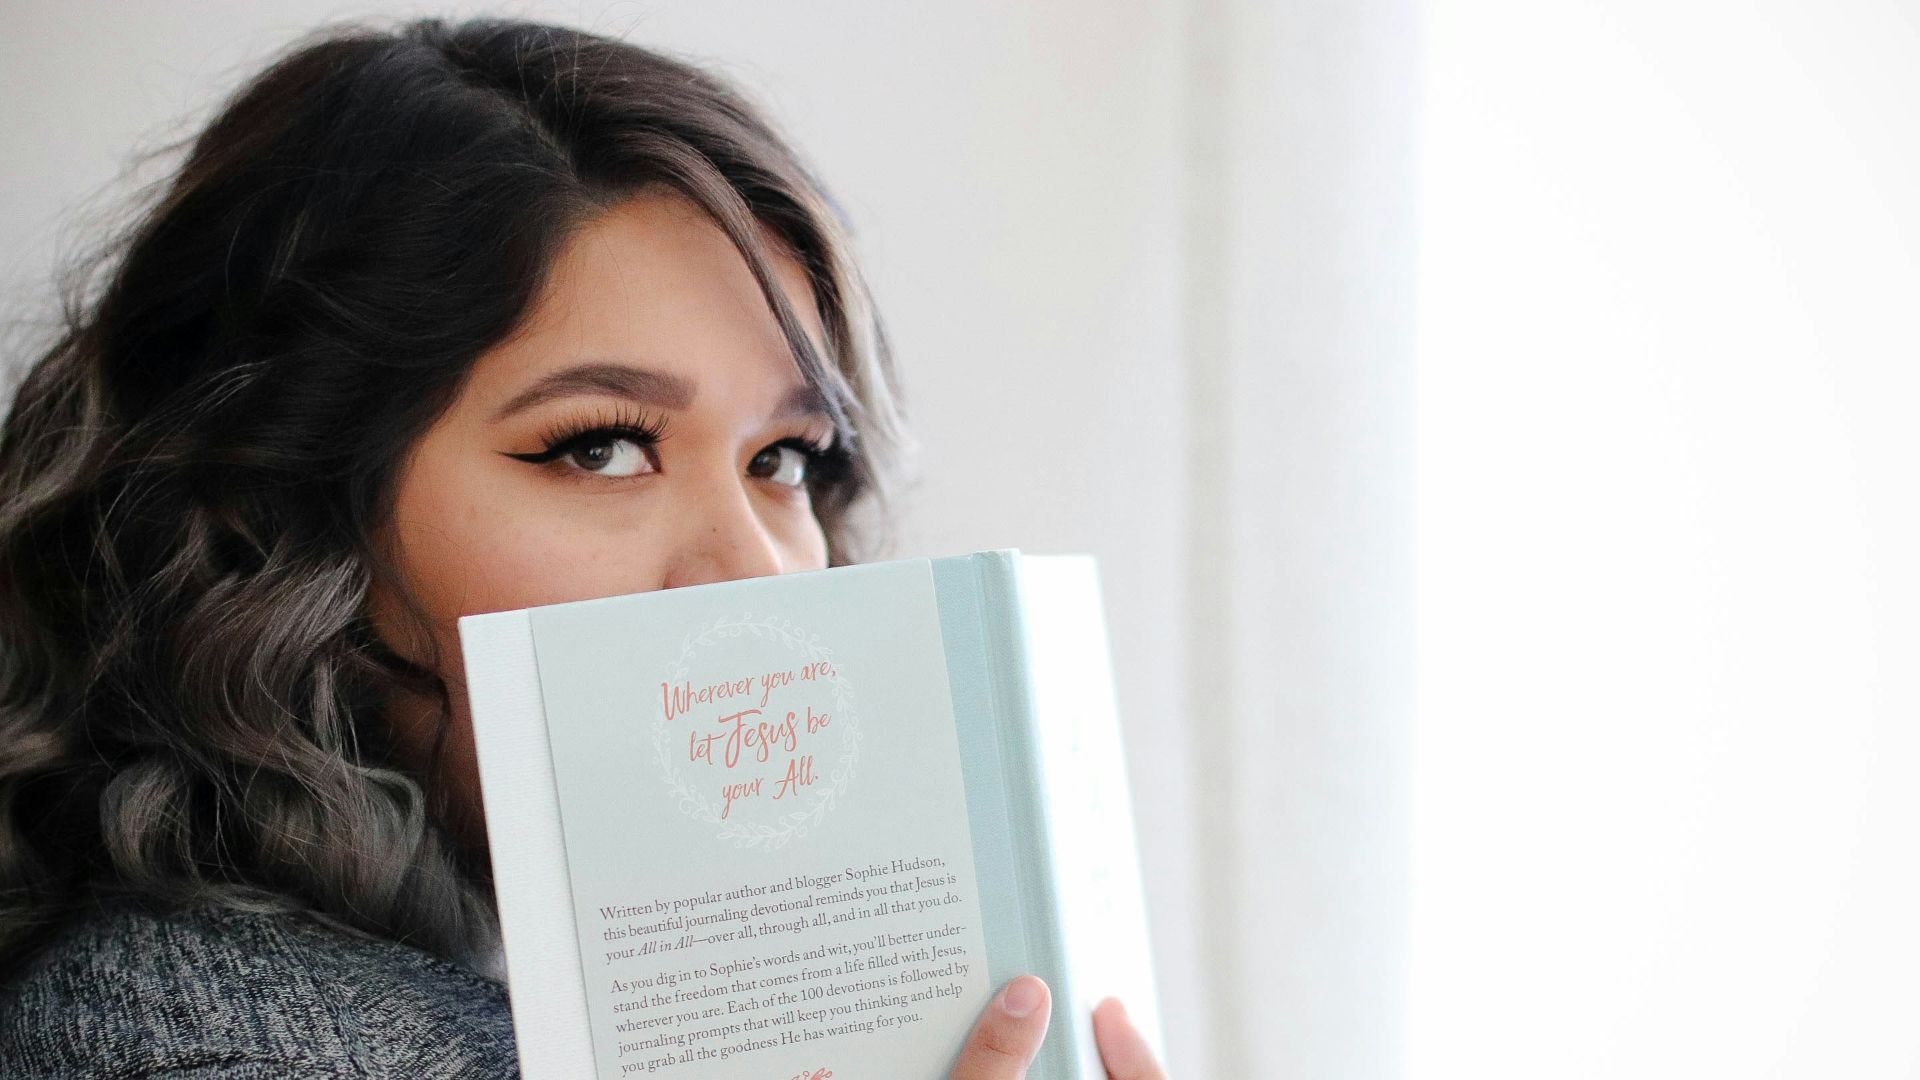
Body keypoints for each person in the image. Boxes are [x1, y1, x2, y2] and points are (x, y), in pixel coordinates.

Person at [0, 14, 1167, 1080]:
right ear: (273, 509)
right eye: (600, 448)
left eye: (785, 460)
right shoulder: (179, 1041)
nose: (754, 568)